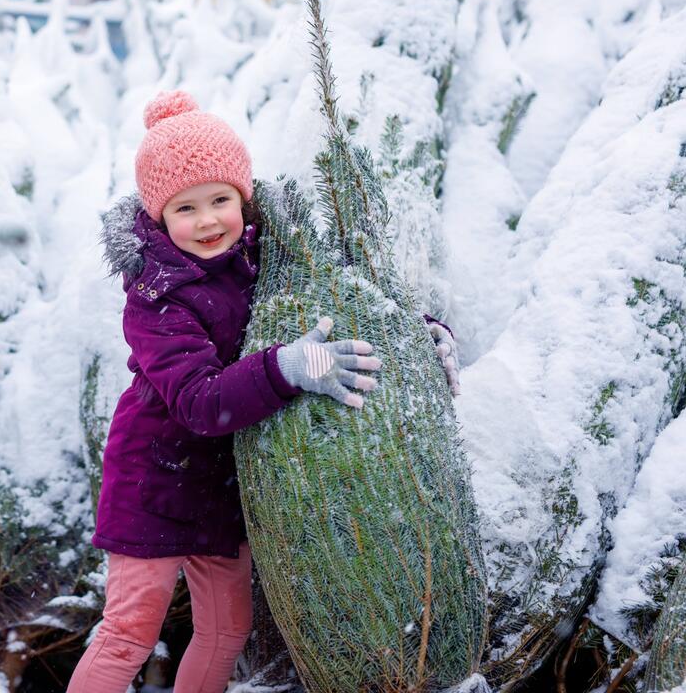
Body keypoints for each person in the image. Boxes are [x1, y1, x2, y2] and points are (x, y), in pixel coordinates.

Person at [67, 90, 456, 693]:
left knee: (226, 631)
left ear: (243, 199)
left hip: (225, 488)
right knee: (130, 633)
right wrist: (287, 368)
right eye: (185, 208)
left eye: (220, 200)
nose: (207, 222)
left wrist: (418, 338)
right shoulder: (157, 296)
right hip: (154, 481)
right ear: (157, 217)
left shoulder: (266, 257)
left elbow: (340, 297)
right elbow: (199, 400)